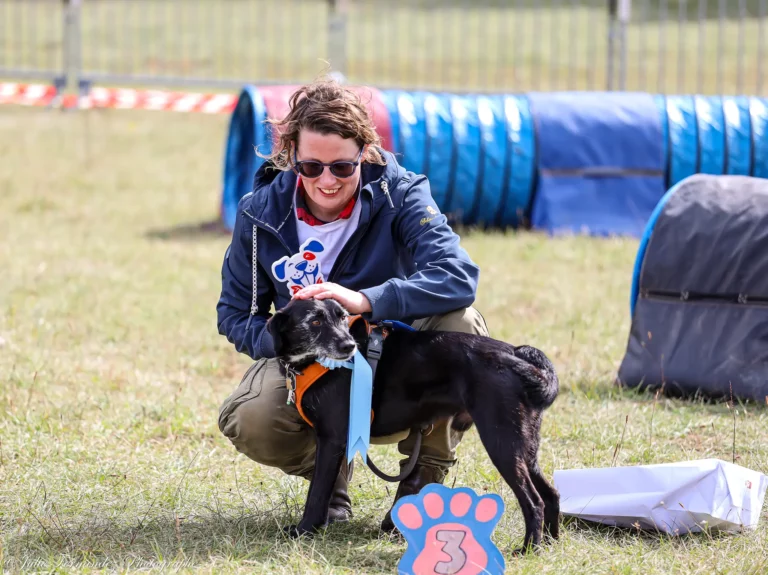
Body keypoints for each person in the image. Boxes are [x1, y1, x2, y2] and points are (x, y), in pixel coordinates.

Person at [216, 77, 489, 532]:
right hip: (312, 361)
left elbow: (458, 276)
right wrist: (285, 345)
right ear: (290, 155)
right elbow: (235, 314)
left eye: (342, 167)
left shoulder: (402, 193)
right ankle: (330, 478)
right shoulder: (258, 212)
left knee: (463, 323)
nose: (326, 181)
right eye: (311, 167)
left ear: (365, 151)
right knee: (250, 419)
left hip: (396, 356)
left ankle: (423, 482)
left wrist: (366, 301)